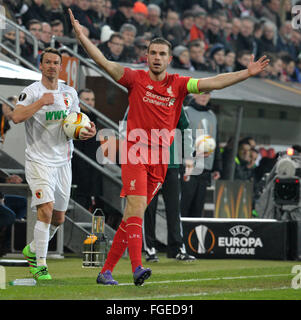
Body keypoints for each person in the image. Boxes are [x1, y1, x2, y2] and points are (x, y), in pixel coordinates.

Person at [69, 8, 269, 286]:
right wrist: (81, 36)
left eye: (162, 54)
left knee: (131, 217)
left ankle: (105, 271)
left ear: (169, 59)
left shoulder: (180, 84)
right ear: (147, 56)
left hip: (162, 158)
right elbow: (103, 62)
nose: (157, 58)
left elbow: (216, 82)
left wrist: (246, 73)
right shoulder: (135, 79)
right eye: (153, 53)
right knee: (137, 208)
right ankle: (138, 267)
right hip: (136, 151)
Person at [11, 47, 96, 280]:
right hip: (39, 161)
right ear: (40, 66)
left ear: (61, 66)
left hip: (63, 162)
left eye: (55, 63)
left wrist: (87, 131)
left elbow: (77, 121)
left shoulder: (69, 93)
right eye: (47, 62)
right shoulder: (31, 92)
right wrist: (40, 103)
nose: (51, 66)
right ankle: (40, 265)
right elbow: (16, 117)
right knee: (45, 212)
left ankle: (33, 248)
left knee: (58, 219)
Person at [143, 108, 196, 262]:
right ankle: (149, 249)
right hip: (148, 164)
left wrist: (188, 156)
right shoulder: (140, 96)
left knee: (174, 207)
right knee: (148, 208)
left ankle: (177, 248)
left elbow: (185, 128)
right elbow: (126, 126)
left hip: (171, 163)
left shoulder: (175, 100)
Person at [181, 93, 222, 218]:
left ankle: (191, 237)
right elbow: (179, 137)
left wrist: (216, 167)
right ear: (193, 94)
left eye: (207, 93)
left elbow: (216, 140)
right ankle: (179, 236)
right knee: (184, 205)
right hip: (189, 166)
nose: (204, 96)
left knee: (198, 208)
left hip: (206, 167)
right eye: (201, 93)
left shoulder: (212, 116)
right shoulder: (186, 112)